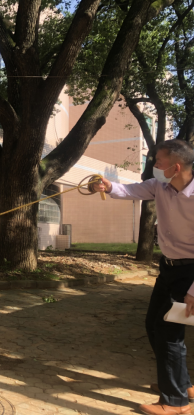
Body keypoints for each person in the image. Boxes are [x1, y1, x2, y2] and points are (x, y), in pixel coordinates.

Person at [93, 139, 194, 416]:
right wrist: (107, 186)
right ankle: (181, 384)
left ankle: (176, 402)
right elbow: (129, 190)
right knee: (154, 325)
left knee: (169, 333)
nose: (154, 166)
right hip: (169, 269)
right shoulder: (159, 186)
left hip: (191, 274)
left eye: (158, 161)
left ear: (176, 167)